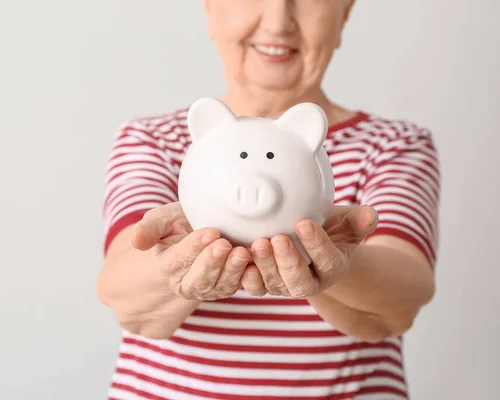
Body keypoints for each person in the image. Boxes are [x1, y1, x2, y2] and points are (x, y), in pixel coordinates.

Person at [97, 0, 440, 398]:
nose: (278, 23)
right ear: (210, 9)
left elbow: (402, 299)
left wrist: (331, 260)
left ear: (344, 13)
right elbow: (123, 297)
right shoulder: (153, 140)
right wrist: (175, 263)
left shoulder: (394, 146)